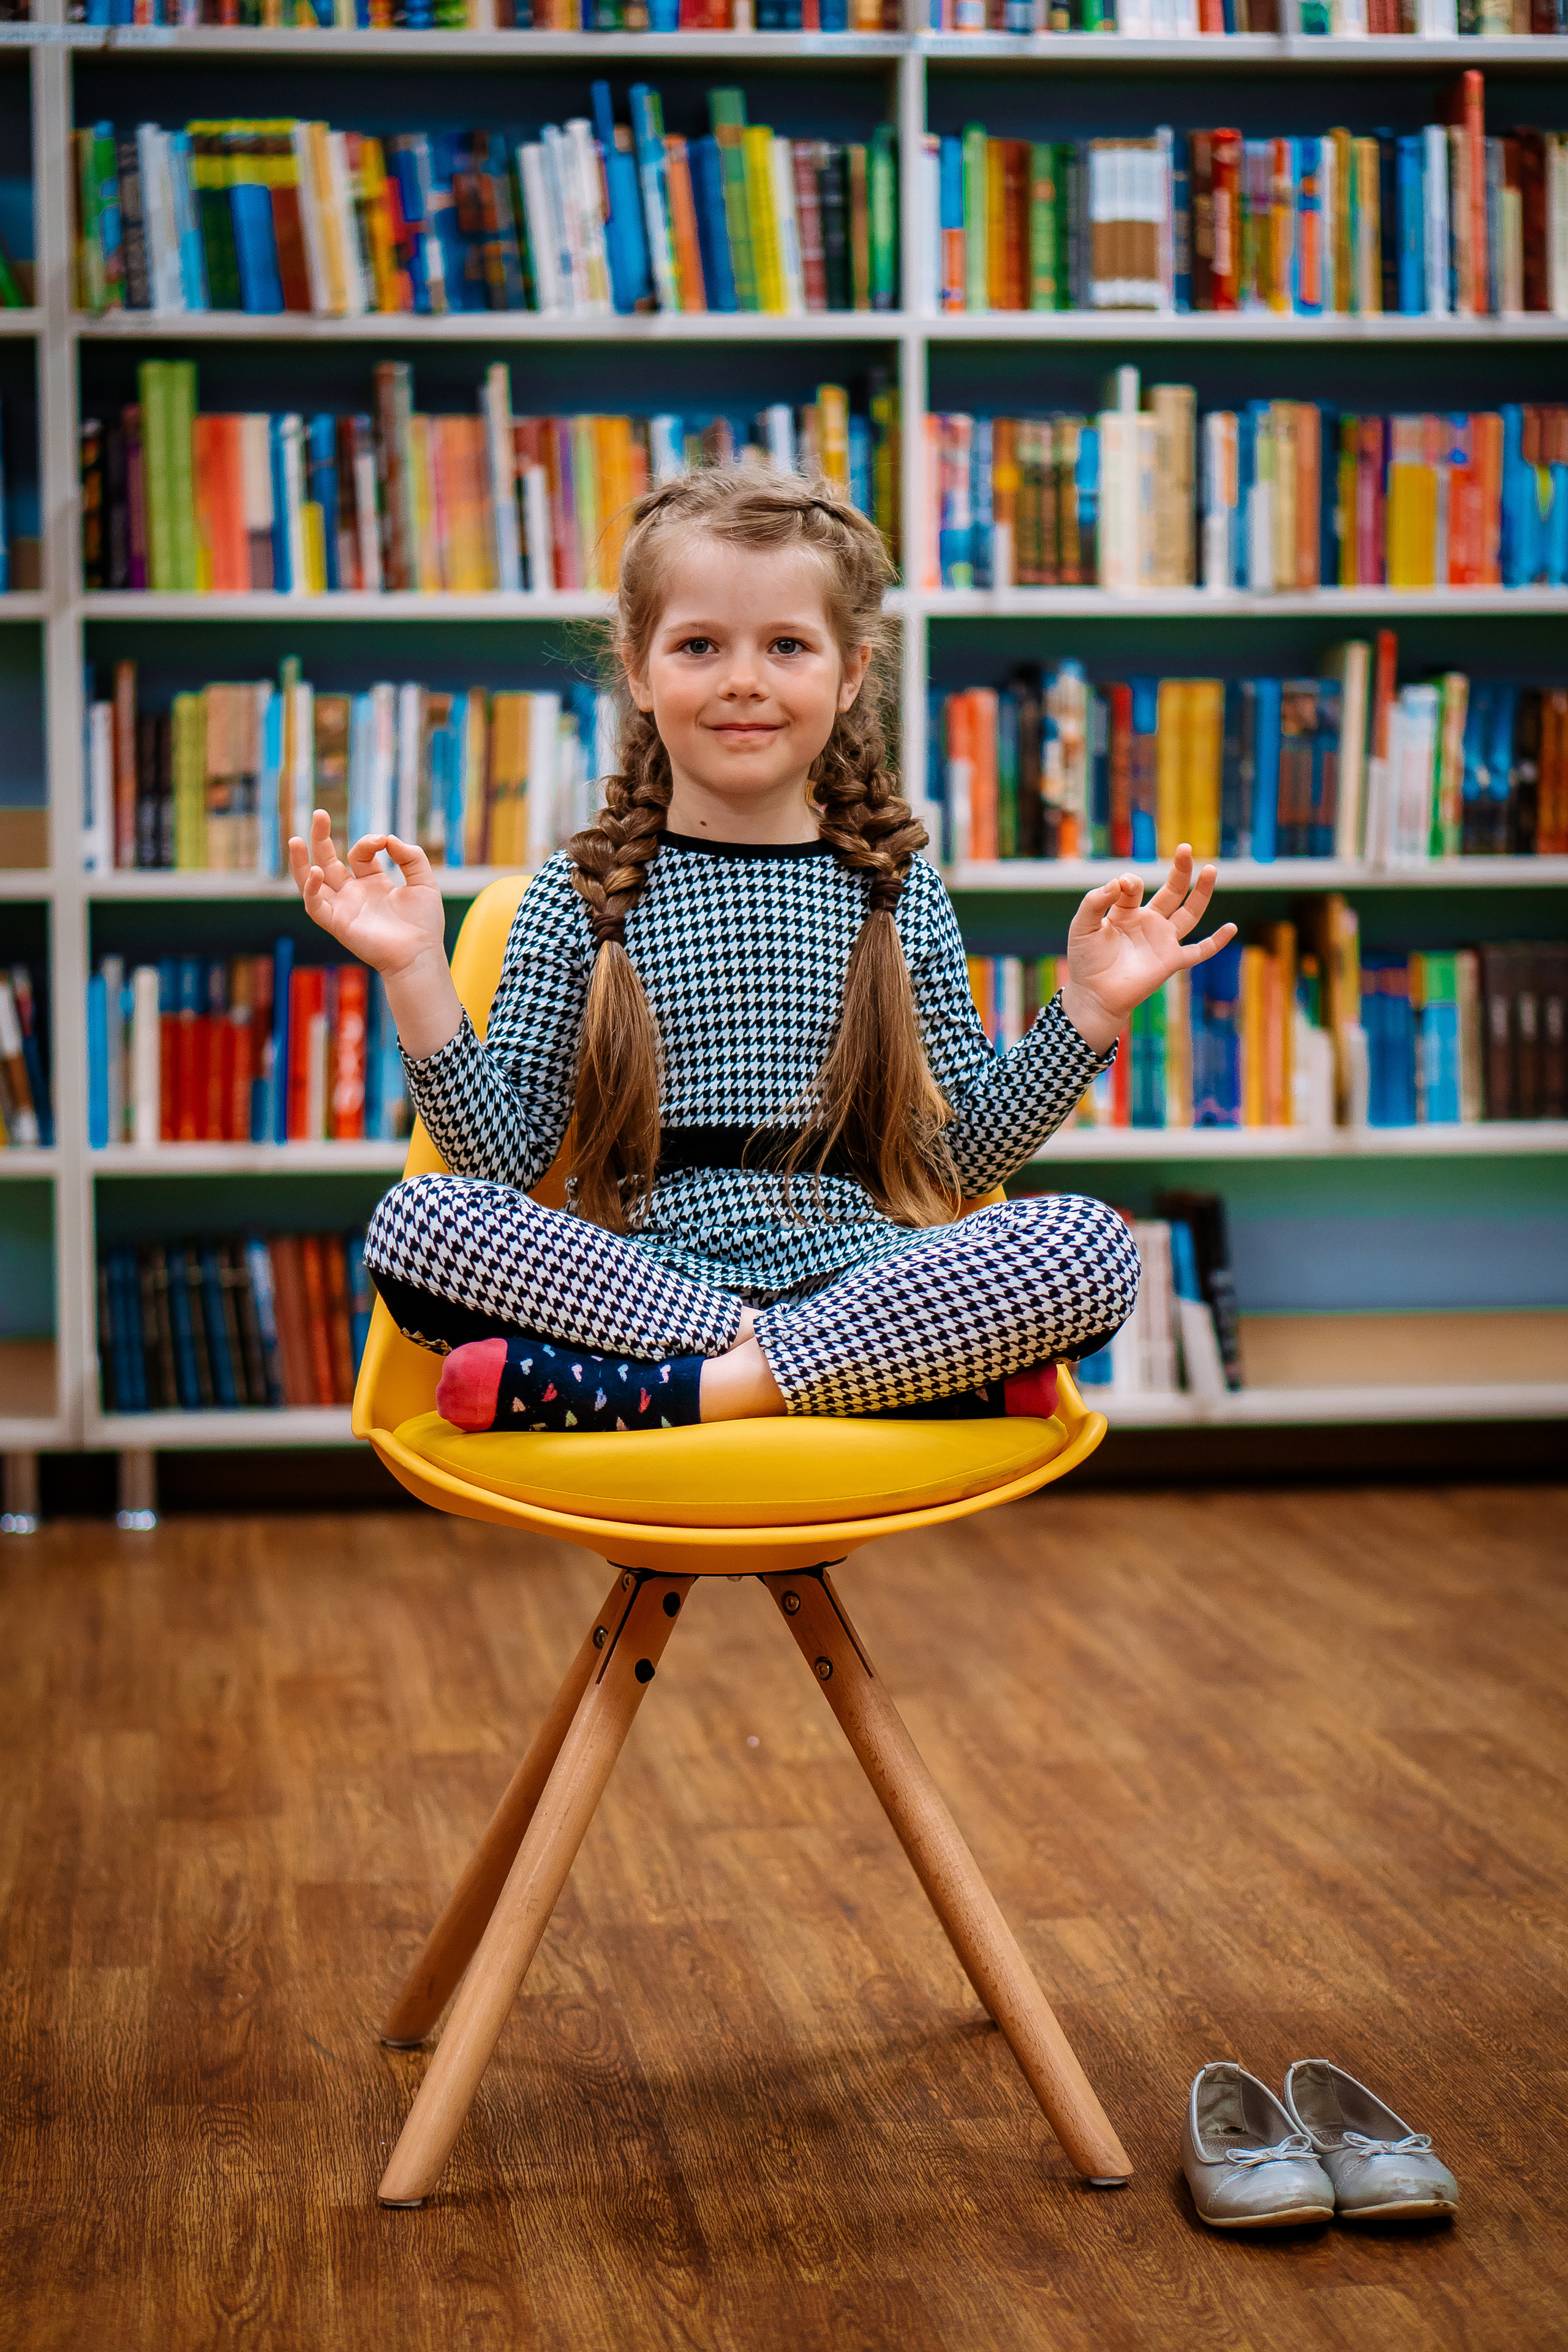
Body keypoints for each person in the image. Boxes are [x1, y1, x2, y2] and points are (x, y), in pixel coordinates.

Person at [290, 469, 1235, 1436]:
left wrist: (1089, 1014)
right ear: (639, 670)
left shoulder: (898, 894)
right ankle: (879, 1373)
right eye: (699, 645)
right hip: (646, 1277)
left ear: (851, 673)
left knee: (1086, 1247)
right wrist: (414, 972)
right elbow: (500, 1165)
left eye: (787, 645)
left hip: (864, 1269)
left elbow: (956, 1160)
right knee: (420, 1226)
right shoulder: (575, 895)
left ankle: (680, 1393)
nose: (743, 679)